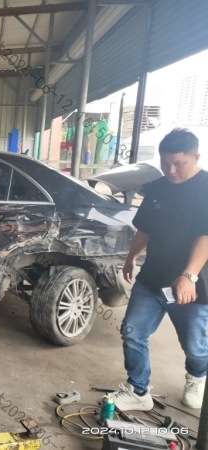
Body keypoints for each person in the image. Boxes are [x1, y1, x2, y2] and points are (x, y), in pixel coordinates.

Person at [108, 128, 208, 411]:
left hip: (192, 287)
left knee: (195, 347)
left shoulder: (205, 188)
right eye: (166, 164)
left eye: (179, 164)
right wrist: (131, 258)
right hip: (152, 279)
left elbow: (205, 236)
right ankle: (139, 390)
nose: (171, 170)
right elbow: (145, 228)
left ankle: (196, 377)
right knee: (132, 331)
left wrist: (188, 276)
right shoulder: (157, 187)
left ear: (196, 157)